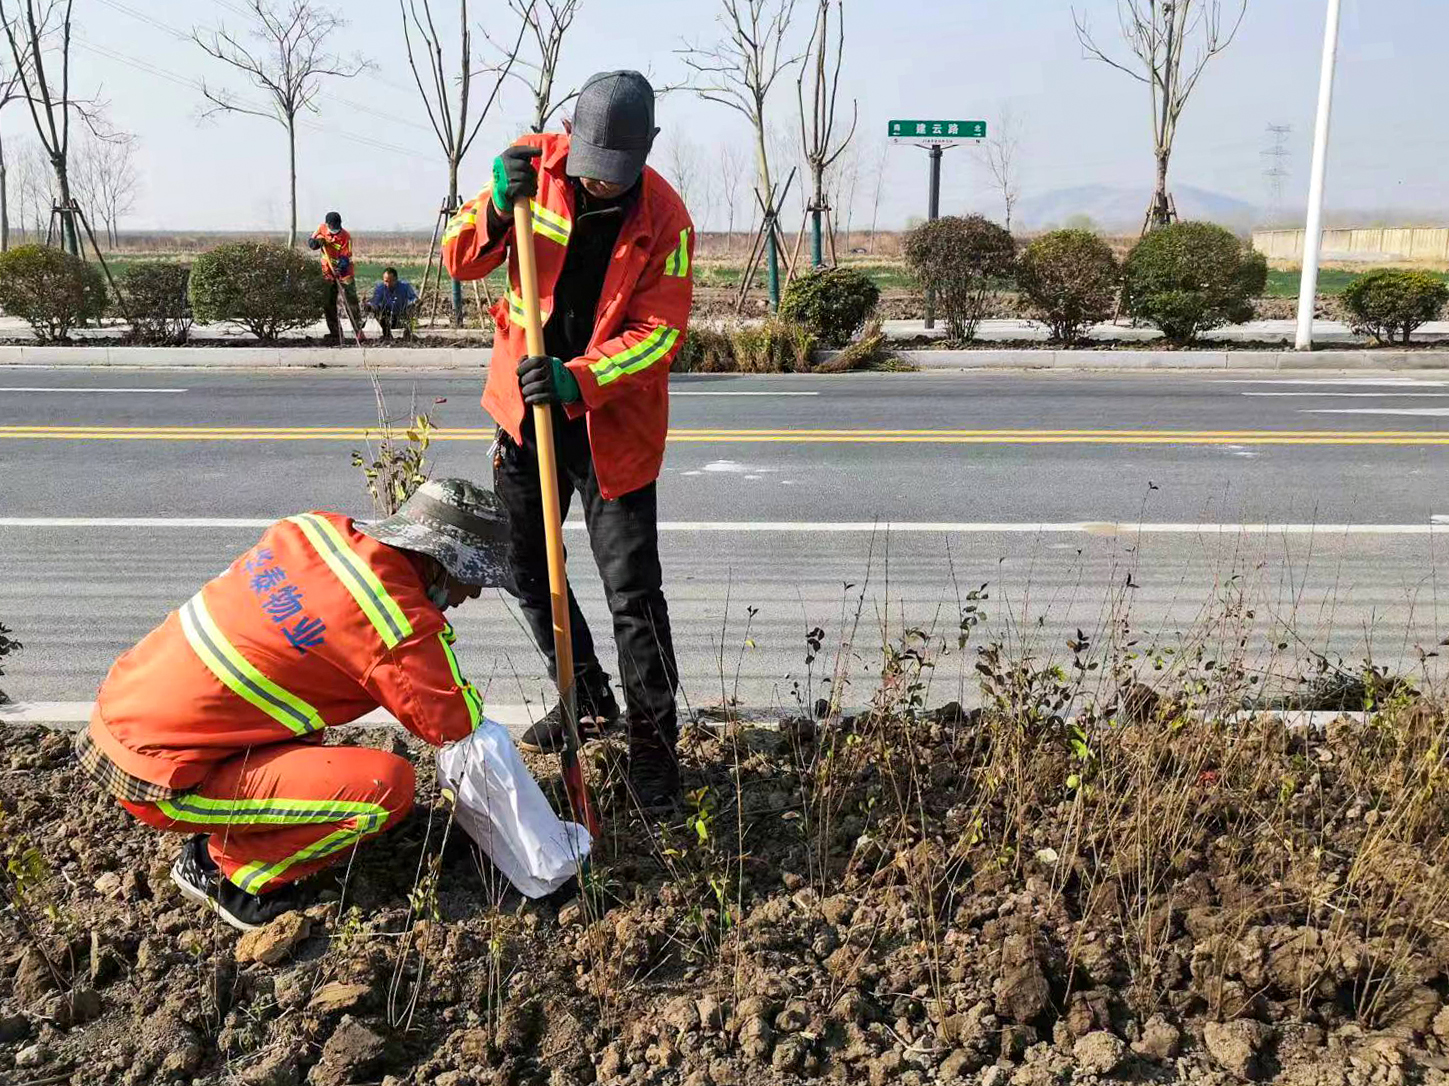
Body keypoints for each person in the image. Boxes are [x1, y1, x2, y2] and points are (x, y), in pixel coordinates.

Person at [75, 479, 512, 931]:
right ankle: (226, 872)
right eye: (473, 579)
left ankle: (242, 826)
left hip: (119, 716)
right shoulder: (395, 620)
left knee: (308, 720)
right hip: (159, 778)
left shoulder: (313, 531)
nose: (474, 595)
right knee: (386, 789)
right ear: (440, 564)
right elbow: (454, 723)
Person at [442, 70, 694, 811]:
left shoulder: (665, 221)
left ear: (647, 148)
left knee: (632, 593)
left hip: (610, 425)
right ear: (569, 138)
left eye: (617, 174)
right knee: (524, 562)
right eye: (590, 170)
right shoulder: (529, 170)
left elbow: (659, 337)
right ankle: (585, 696)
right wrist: (492, 205)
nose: (601, 187)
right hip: (524, 414)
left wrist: (578, 378)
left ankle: (653, 749)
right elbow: (461, 260)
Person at [308, 211, 365, 346]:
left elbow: (346, 257)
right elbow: (311, 243)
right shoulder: (321, 228)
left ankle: (358, 330)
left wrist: (340, 268)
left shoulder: (346, 236)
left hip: (345, 273)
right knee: (328, 303)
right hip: (327, 272)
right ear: (327, 225)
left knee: (350, 302)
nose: (335, 230)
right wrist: (317, 242)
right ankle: (335, 332)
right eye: (332, 227)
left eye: (337, 227)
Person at [367, 267, 419, 341]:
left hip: (402, 315)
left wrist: (415, 302)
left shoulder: (405, 287)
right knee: (376, 309)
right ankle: (387, 334)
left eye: (391, 281)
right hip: (387, 317)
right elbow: (375, 301)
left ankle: (408, 332)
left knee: (413, 307)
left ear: (396, 279)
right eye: (386, 281)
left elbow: (413, 298)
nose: (388, 284)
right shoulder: (380, 288)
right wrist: (370, 305)